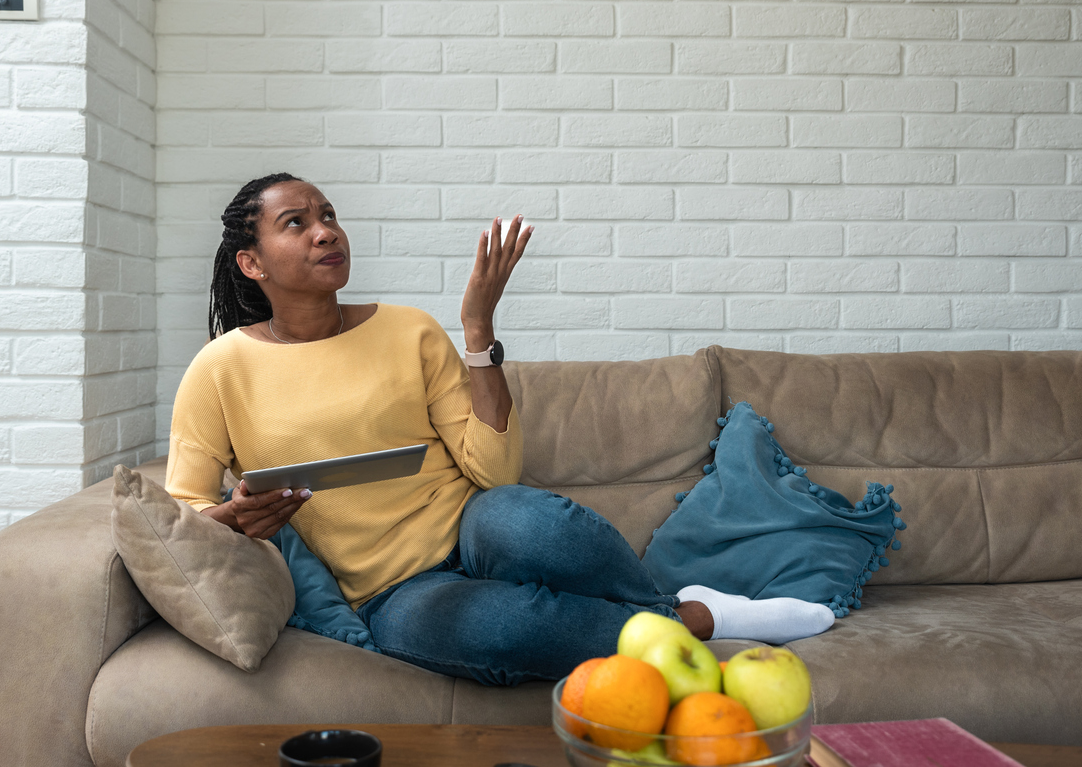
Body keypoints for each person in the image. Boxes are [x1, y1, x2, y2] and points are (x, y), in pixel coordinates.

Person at [164, 172, 834, 686]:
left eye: (329, 215)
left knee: (536, 522)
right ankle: (692, 617)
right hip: (391, 593)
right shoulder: (220, 369)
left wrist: (478, 333)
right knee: (505, 626)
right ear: (252, 263)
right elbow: (185, 505)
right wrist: (235, 516)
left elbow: (494, 470)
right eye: (297, 222)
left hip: (473, 523)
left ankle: (665, 607)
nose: (325, 231)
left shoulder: (408, 329)